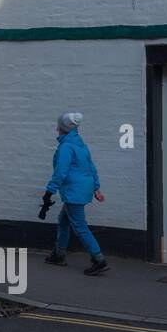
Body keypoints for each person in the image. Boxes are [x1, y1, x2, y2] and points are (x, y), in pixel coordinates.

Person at [42, 112, 109, 275]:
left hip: (74, 191)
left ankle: (99, 259)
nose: (56, 129)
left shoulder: (66, 147)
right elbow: (91, 168)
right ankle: (58, 254)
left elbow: (60, 172)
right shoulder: (81, 144)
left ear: (62, 128)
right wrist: (96, 188)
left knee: (80, 226)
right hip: (82, 189)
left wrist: (49, 191)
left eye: (58, 126)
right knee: (63, 221)